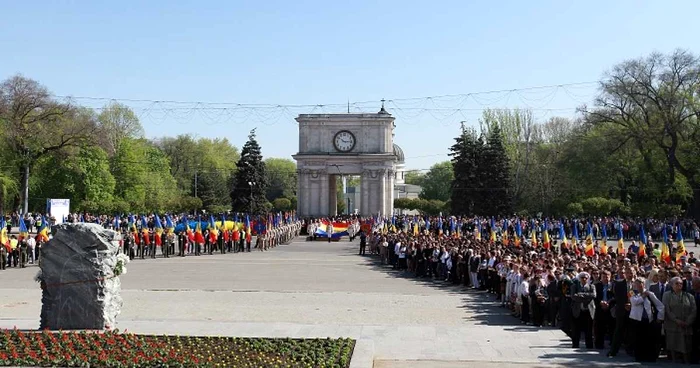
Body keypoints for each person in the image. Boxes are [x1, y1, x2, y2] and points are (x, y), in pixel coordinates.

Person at [663, 276, 697, 363]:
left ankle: (687, 360)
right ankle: (674, 360)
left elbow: (693, 310)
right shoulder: (667, 295)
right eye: (677, 283)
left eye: (681, 283)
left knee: (686, 344)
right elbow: (667, 309)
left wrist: (688, 322)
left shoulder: (689, 296)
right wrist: (676, 320)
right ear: (671, 285)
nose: (679, 285)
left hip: (686, 325)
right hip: (672, 324)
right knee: (673, 343)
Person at [629, 277, 664, 362]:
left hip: (648, 319)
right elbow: (635, 302)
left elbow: (660, 306)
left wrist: (660, 317)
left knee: (649, 339)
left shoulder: (650, 293)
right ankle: (639, 356)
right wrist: (643, 296)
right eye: (636, 284)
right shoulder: (631, 292)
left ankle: (649, 357)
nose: (638, 286)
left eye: (640, 284)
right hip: (636, 319)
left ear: (643, 284)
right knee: (638, 339)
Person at [570, 272, 596, 349]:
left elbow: (593, 295)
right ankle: (575, 345)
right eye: (582, 278)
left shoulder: (592, 286)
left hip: (588, 311)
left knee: (588, 330)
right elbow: (573, 296)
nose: (584, 279)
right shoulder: (574, 286)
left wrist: (582, 294)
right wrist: (586, 296)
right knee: (576, 330)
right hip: (578, 310)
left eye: (586, 278)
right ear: (579, 279)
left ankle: (589, 345)